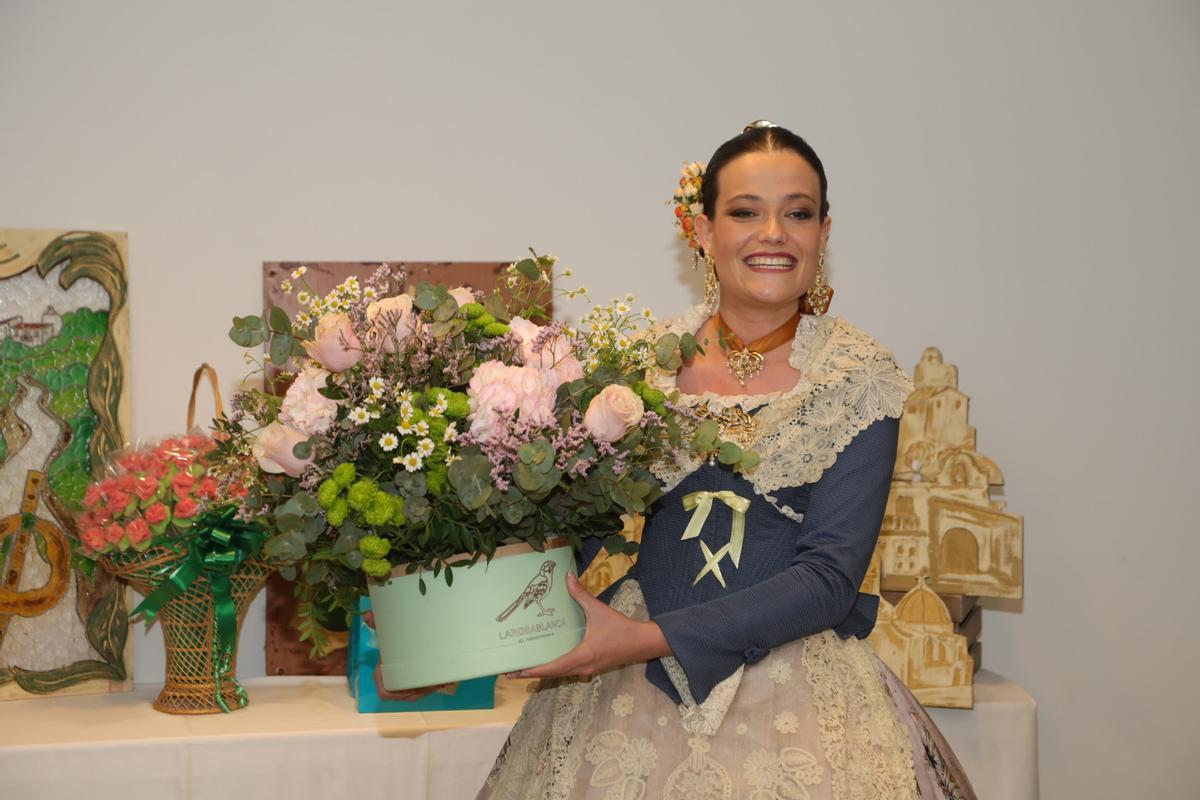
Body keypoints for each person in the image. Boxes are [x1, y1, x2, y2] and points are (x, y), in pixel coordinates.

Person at [389, 122, 976, 798]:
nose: (774, 233)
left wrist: (640, 640)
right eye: (746, 211)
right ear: (702, 230)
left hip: (796, 696)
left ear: (824, 232)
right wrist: (453, 636)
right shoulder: (636, 366)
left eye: (799, 212)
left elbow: (828, 580)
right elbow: (576, 534)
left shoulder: (860, 376)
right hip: (622, 692)